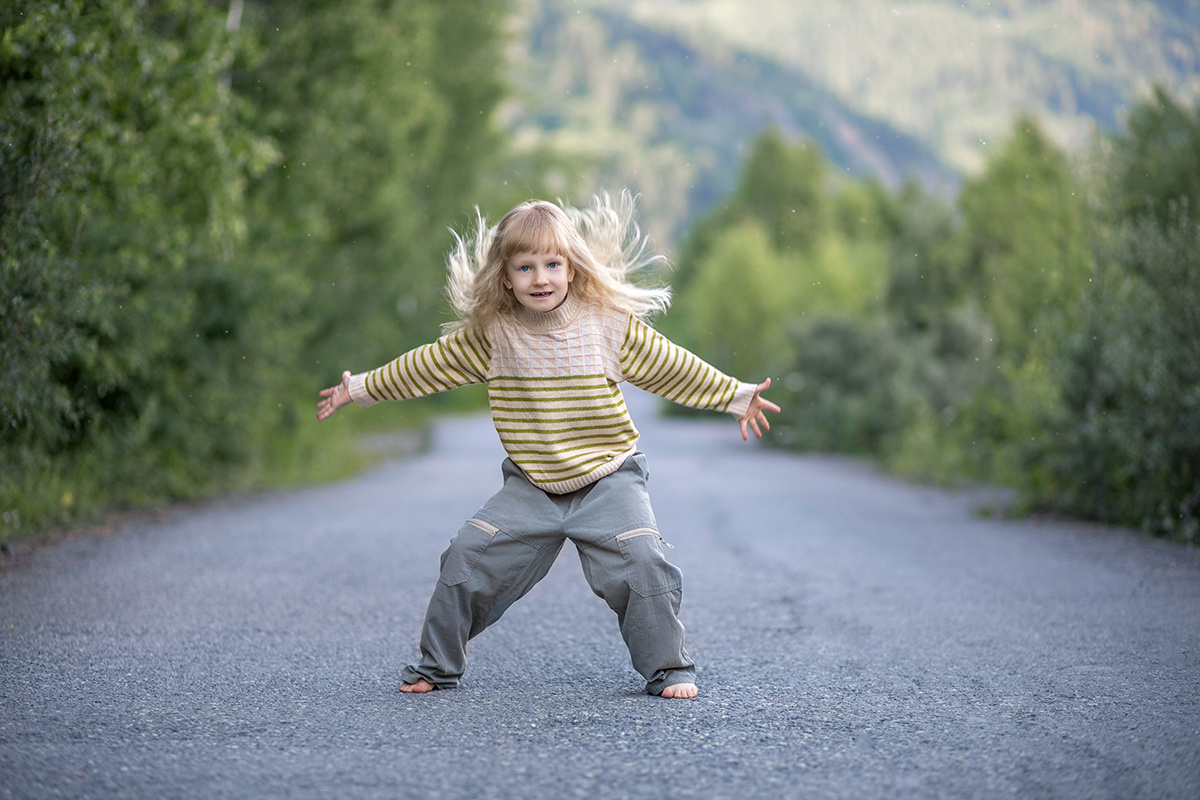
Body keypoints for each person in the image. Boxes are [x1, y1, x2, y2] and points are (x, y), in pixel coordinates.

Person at [316, 192, 779, 699]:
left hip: (609, 477)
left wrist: (735, 395)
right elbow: (424, 366)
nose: (541, 278)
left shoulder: (606, 326)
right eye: (526, 267)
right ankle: (437, 666)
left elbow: (671, 365)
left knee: (643, 558)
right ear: (505, 276)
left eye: (552, 264)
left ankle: (669, 668)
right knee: (465, 557)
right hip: (532, 485)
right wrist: (356, 389)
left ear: (572, 269)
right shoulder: (493, 336)